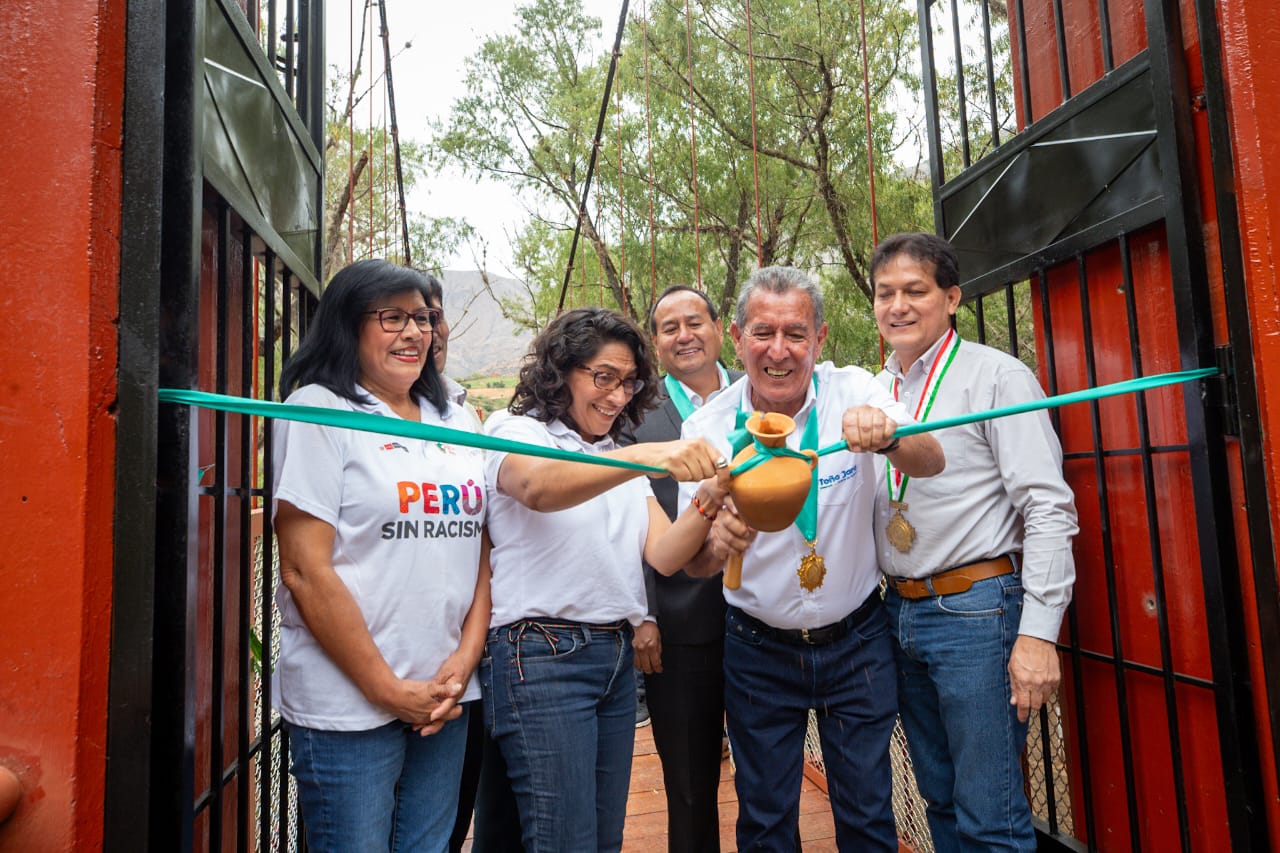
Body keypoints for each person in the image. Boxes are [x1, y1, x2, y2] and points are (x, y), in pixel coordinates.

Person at [682, 265, 946, 852]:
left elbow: (931, 459)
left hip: (857, 642)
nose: (779, 351)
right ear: (736, 336)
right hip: (757, 648)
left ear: (820, 339)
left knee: (868, 816)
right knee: (766, 824)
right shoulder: (705, 427)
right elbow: (693, 563)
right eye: (763, 332)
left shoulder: (853, 390)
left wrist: (890, 435)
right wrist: (714, 543)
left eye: (796, 333)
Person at [481, 307, 731, 853]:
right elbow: (538, 488)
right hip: (541, 656)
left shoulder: (615, 455)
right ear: (560, 371)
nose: (617, 396)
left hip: (615, 661)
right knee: (564, 840)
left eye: (627, 382)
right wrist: (645, 454)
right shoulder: (514, 430)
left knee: (602, 840)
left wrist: (711, 502)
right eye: (603, 377)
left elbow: (665, 555)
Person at [272, 260, 491, 853]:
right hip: (348, 704)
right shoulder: (318, 409)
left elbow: (482, 549)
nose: (414, 332)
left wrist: (464, 662)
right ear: (348, 324)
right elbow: (302, 567)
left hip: (444, 696)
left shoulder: (458, 415)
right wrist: (386, 689)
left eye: (422, 317)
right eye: (391, 317)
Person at [869, 232, 1078, 852]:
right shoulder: (874, 390)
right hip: (897, 611)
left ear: (952, 297)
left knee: (990, 812)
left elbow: (1048, 505)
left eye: (915, 291)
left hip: (977, 610)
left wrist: (1039, 634)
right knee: (939, 798)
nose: (898, 306)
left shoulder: (997, 377)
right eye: (885, 294)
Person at [622, 284, 740, 853]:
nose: (684, 335)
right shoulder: (633, 417)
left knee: (769, 775)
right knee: (690, 785)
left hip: (764, 621)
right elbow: (623, 521)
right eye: (669, 328)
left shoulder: (760, 396)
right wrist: (642, 615)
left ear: (719, 329)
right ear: (656, 344)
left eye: (694, 322)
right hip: (678, 624)